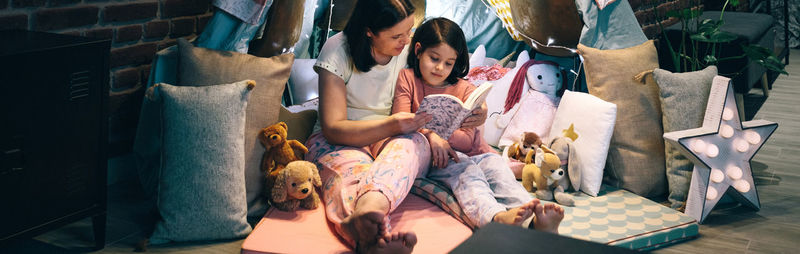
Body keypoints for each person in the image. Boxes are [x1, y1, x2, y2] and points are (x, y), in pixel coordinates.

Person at [305, 1, 487, 253]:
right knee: (349, 177)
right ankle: (370, 237)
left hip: (400, 137)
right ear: (369, 30)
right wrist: (392, 124)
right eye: (396, 35)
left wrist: (480, 108)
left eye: (410, 31)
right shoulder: (338, 50)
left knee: (408, 147)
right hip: (342, 139)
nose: (407, 41)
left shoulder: (409, 47)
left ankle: (370, 214)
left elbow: (450, 78)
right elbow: (333, 129)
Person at [391, 17, 565, 231]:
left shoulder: (465, 89)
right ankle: (496, 217)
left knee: (498, 168)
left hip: (474, 152)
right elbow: (400, 120)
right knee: (467, 173)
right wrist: (431, 135)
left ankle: (533, 218)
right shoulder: (407, 78)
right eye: (434, 58)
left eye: (449, 63)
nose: (440, 68)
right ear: (418, 51)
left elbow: (466, 142)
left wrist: (451, 129)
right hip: (438, 159)